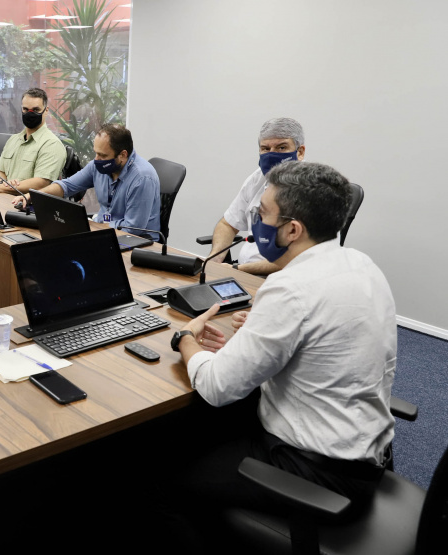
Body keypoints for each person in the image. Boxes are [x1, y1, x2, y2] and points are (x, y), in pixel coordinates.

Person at [167, 161, 395, 547]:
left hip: (314, 475)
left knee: (162, 472)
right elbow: (320, 352)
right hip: (367, 451)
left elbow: (217, 387)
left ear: (292, 229)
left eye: (263, 213)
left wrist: (185, 339)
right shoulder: (361, 264)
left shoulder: (290, 287)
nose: (254, 220)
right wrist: (248, 348)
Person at [24, 124, 160, 239]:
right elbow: (67, 186)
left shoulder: (142, 178)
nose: (96, 159)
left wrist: (97, 228)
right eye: (96, 153)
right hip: (103, 231)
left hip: (136, 242)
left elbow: (132, 229)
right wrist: (35, 196)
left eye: (103, 155)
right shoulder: (99, 165)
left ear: (123, 155)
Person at [208, 117, 306, 276]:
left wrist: (236, 270)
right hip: (243, 273)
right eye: (265, 149)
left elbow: (295, 258)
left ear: (300, 152)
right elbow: (228, 224)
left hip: (284, 279)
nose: (272, 154)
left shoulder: (313, 189)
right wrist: (215, 260)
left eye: (281, 147)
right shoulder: (257, 178)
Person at [0, 88, 66, 195]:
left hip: (29, 207)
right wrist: (4, 184)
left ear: (46, 111)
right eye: (26, 109)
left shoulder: (52, 144)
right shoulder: (13, 140)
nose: (30, 113)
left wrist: (0, 188)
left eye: (36, 110)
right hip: (4, 198)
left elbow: (41, 183)